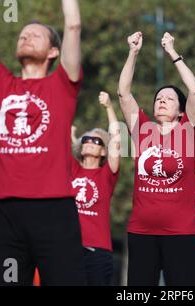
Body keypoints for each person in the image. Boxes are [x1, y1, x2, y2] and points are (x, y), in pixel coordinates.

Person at [0, 0, 86, 285]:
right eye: (22, 35)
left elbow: (74, 24)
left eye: (35, 35)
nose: (26, 37)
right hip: (6, 215)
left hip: (53, 212)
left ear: (54, 51)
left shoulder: (62, 84)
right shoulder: (2, 83)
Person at [118, 31, 195, 286]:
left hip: (180, 233)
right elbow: (123, 93)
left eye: (169, 99)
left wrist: (173, 53)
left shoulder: (189, 130)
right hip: (142, 232)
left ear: (181, 110)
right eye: (158, 99)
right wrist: (133, 52)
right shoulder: (142, 130)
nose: (162, 101)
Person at [70, 91, 120, 286]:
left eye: (96, 141)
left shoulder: (107, 175)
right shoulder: (72, 169)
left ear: (103, 151)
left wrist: (109, 107)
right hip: (68, 250)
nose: (90, 143)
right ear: (80, 148)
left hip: (97, 252)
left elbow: (116, 139)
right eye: (86, 140)